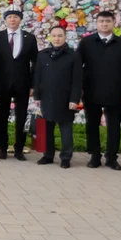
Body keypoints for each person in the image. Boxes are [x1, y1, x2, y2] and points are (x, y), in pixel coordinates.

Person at [76, 11, 121, 170]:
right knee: (92, 125)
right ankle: (94, 156)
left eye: (108, 21)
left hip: (115, 92)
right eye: (101, 21)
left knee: (114, 127)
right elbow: (77, 68)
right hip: (91, 91)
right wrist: (78, 91)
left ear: (114, 23)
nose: (104, 24)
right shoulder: (86, 42)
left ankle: (112, 158)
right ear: (96, 23)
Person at [0, 8, 38, 160]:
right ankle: (2, 148)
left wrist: (33, 85)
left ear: (20, 20)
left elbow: (35, 62)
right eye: (9, 17)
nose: (12, 20)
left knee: (21, 118)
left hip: (22, 84)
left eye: (15, 17)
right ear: (5, 20)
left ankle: (19, 149)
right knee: (1, 117)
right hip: (2, 85)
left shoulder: (29, 38)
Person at [33, 26, 82, 169]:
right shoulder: (43, 55)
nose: (56, 38)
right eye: (54, 35)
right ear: (50, 37)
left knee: (65, 130)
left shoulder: (73, 56)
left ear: (65, 37)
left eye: (60, 35)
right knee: (47, 128)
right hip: (47, 97)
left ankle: (66, 157)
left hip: (66, 99)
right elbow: (38, 76)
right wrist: (37, 95)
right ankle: (48, 155)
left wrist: (74, 99)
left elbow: (77, 80)